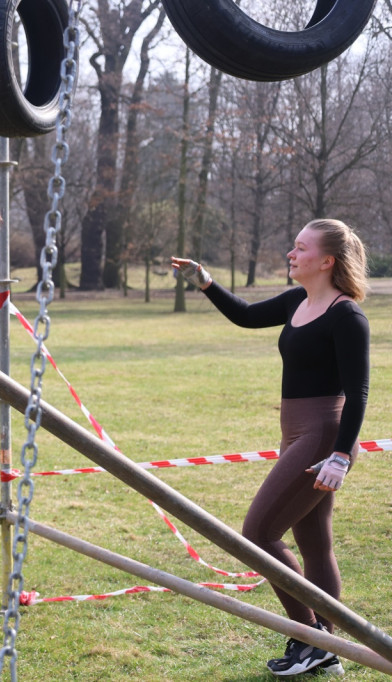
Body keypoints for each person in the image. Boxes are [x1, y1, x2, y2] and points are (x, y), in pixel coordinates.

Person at [171, 218, 369, 677]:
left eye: (300, 248)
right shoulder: (299, 299)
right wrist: (206, 282)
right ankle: (323, 645)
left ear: (326, 261)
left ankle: (310, 638)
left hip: (322, 436)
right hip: (296, 432)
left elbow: (358, 393)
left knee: (258, 534)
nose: (290, 254)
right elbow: (245, 315)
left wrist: (340, 455)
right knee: (314, 543)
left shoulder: (346, 315)